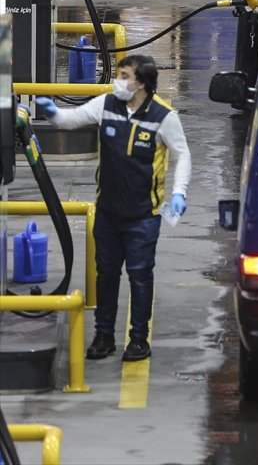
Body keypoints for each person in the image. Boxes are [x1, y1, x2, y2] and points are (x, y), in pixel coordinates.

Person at [36, 55, 192, 361]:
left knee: (140, 276)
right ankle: (104, 336)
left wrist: (179, 193)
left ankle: (138, 339)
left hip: (143, 217)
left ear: (141, 83)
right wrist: (52, 113)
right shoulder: (106, 105)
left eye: (123, 76)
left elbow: (182, 154)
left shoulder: (163, 117)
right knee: (106, 275)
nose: (117, 81)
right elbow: (71, 119)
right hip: (107, 212)